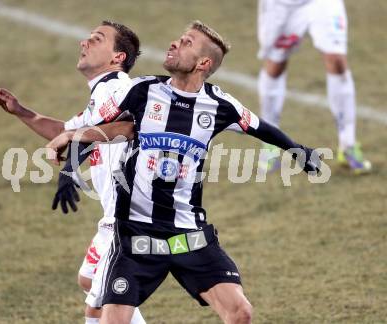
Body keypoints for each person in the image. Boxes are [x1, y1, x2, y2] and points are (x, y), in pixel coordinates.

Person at [46, 21, 321, 324]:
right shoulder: (142, 91)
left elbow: (259, 128)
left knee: (240, 312)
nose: (175, 44)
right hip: (136, 234)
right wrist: (69, 169)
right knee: (110, 320)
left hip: (187, 233)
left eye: (187, 43)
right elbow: (102, 130)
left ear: (203, 63)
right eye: (178, 39)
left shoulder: (220, 105)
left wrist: (297, 149)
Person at [0, 21, 145, 324]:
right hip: (114, 216)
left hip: (132, 217)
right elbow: (67, 131)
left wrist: (70, 170)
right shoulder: (101, 96)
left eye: (96, 39)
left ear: (117, 57)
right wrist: (23, 111)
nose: (84, 43)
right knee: (89, 281)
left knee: (99, 308)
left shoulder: (118, 89)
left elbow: (119, 129)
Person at [257, 0, 371, 174]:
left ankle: (348, 145)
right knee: (276, 65)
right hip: (281, 5)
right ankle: (270, 142)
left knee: (337, 60)